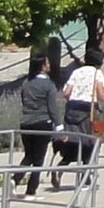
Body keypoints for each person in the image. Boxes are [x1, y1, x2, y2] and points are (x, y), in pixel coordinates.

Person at [14, 54, 62, 197]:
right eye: (47, 62)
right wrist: (59, 125)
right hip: (42, 122)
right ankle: (31, 190)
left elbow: (24, 101)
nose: (49, 65)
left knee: (29, 155)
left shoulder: (26, 83)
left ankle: (15, 180)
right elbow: (53, 107)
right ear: (42, 66)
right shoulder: (48, 85)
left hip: (26, 122)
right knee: (39, 159)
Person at [61, 47, 104, 180]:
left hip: (72, 108)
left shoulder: (76, 72)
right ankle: (85, 177)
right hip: (89, 109)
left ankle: (61, 166)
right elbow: (102, 96)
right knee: (93, 141)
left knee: (75, 141)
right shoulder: (97, 73)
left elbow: (66, 93)